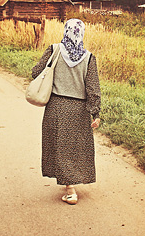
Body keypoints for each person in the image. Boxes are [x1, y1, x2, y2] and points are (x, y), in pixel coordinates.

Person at [31, 18, 101, 205]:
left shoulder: (53, 50)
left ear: (65, 31)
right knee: (74, 147)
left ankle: (70, 189)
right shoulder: (88, 58)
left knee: (59, 146)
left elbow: (36, 72)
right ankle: (70, 183)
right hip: (78, 110)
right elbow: (93, 88)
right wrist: (95, 113)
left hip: (56, 107)